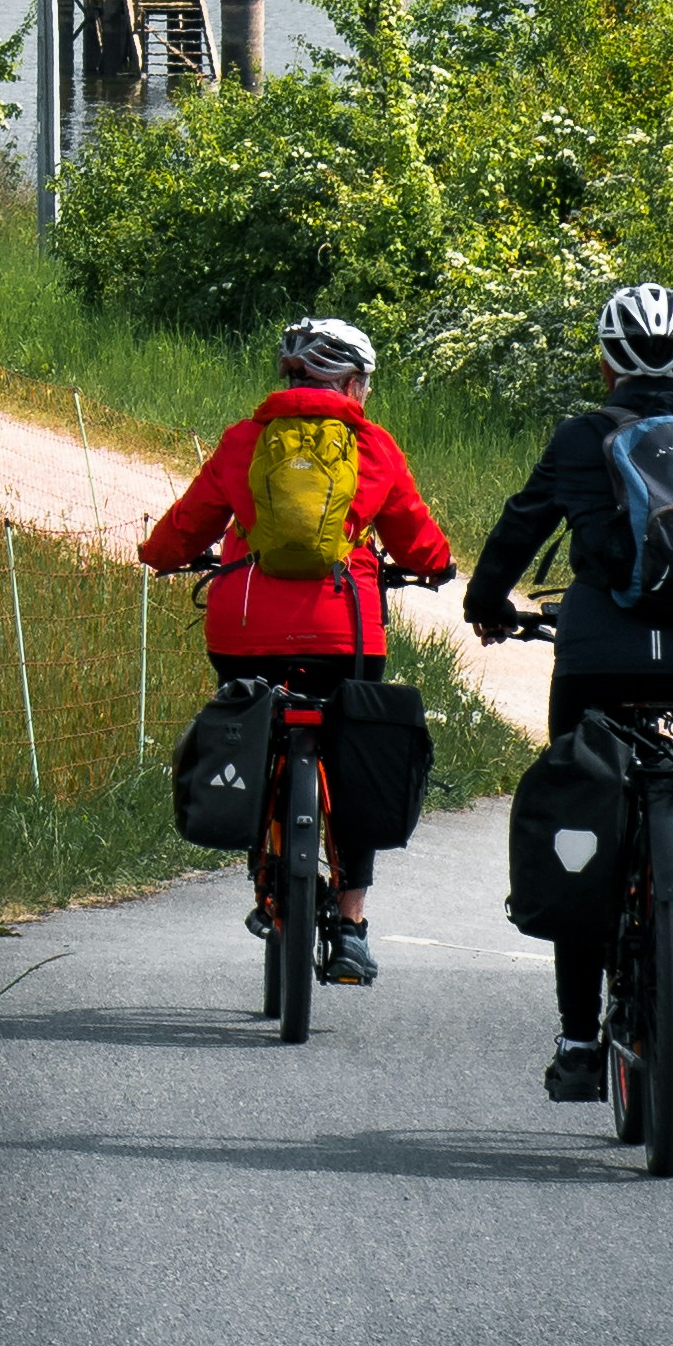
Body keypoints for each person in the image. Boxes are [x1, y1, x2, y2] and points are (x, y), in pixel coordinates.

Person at [460, 280, 673, 1104]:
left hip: (600, 657)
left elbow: (521, 525)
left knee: (585, 799)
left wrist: (487, 606)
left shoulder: (582, 436)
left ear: (606, 359)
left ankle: (580, 1037)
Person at [134, 312, 457, 984]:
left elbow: (188, 525)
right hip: (349, 634)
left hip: (245, 631)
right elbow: (416, 537)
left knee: (253, 722)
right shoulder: (373, 448)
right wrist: (436, 566)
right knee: (359, 751)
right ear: (353, 384)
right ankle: (351, 924)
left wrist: (159, 555)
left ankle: (265, 870)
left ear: (289, 376)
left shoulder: (245, 441)